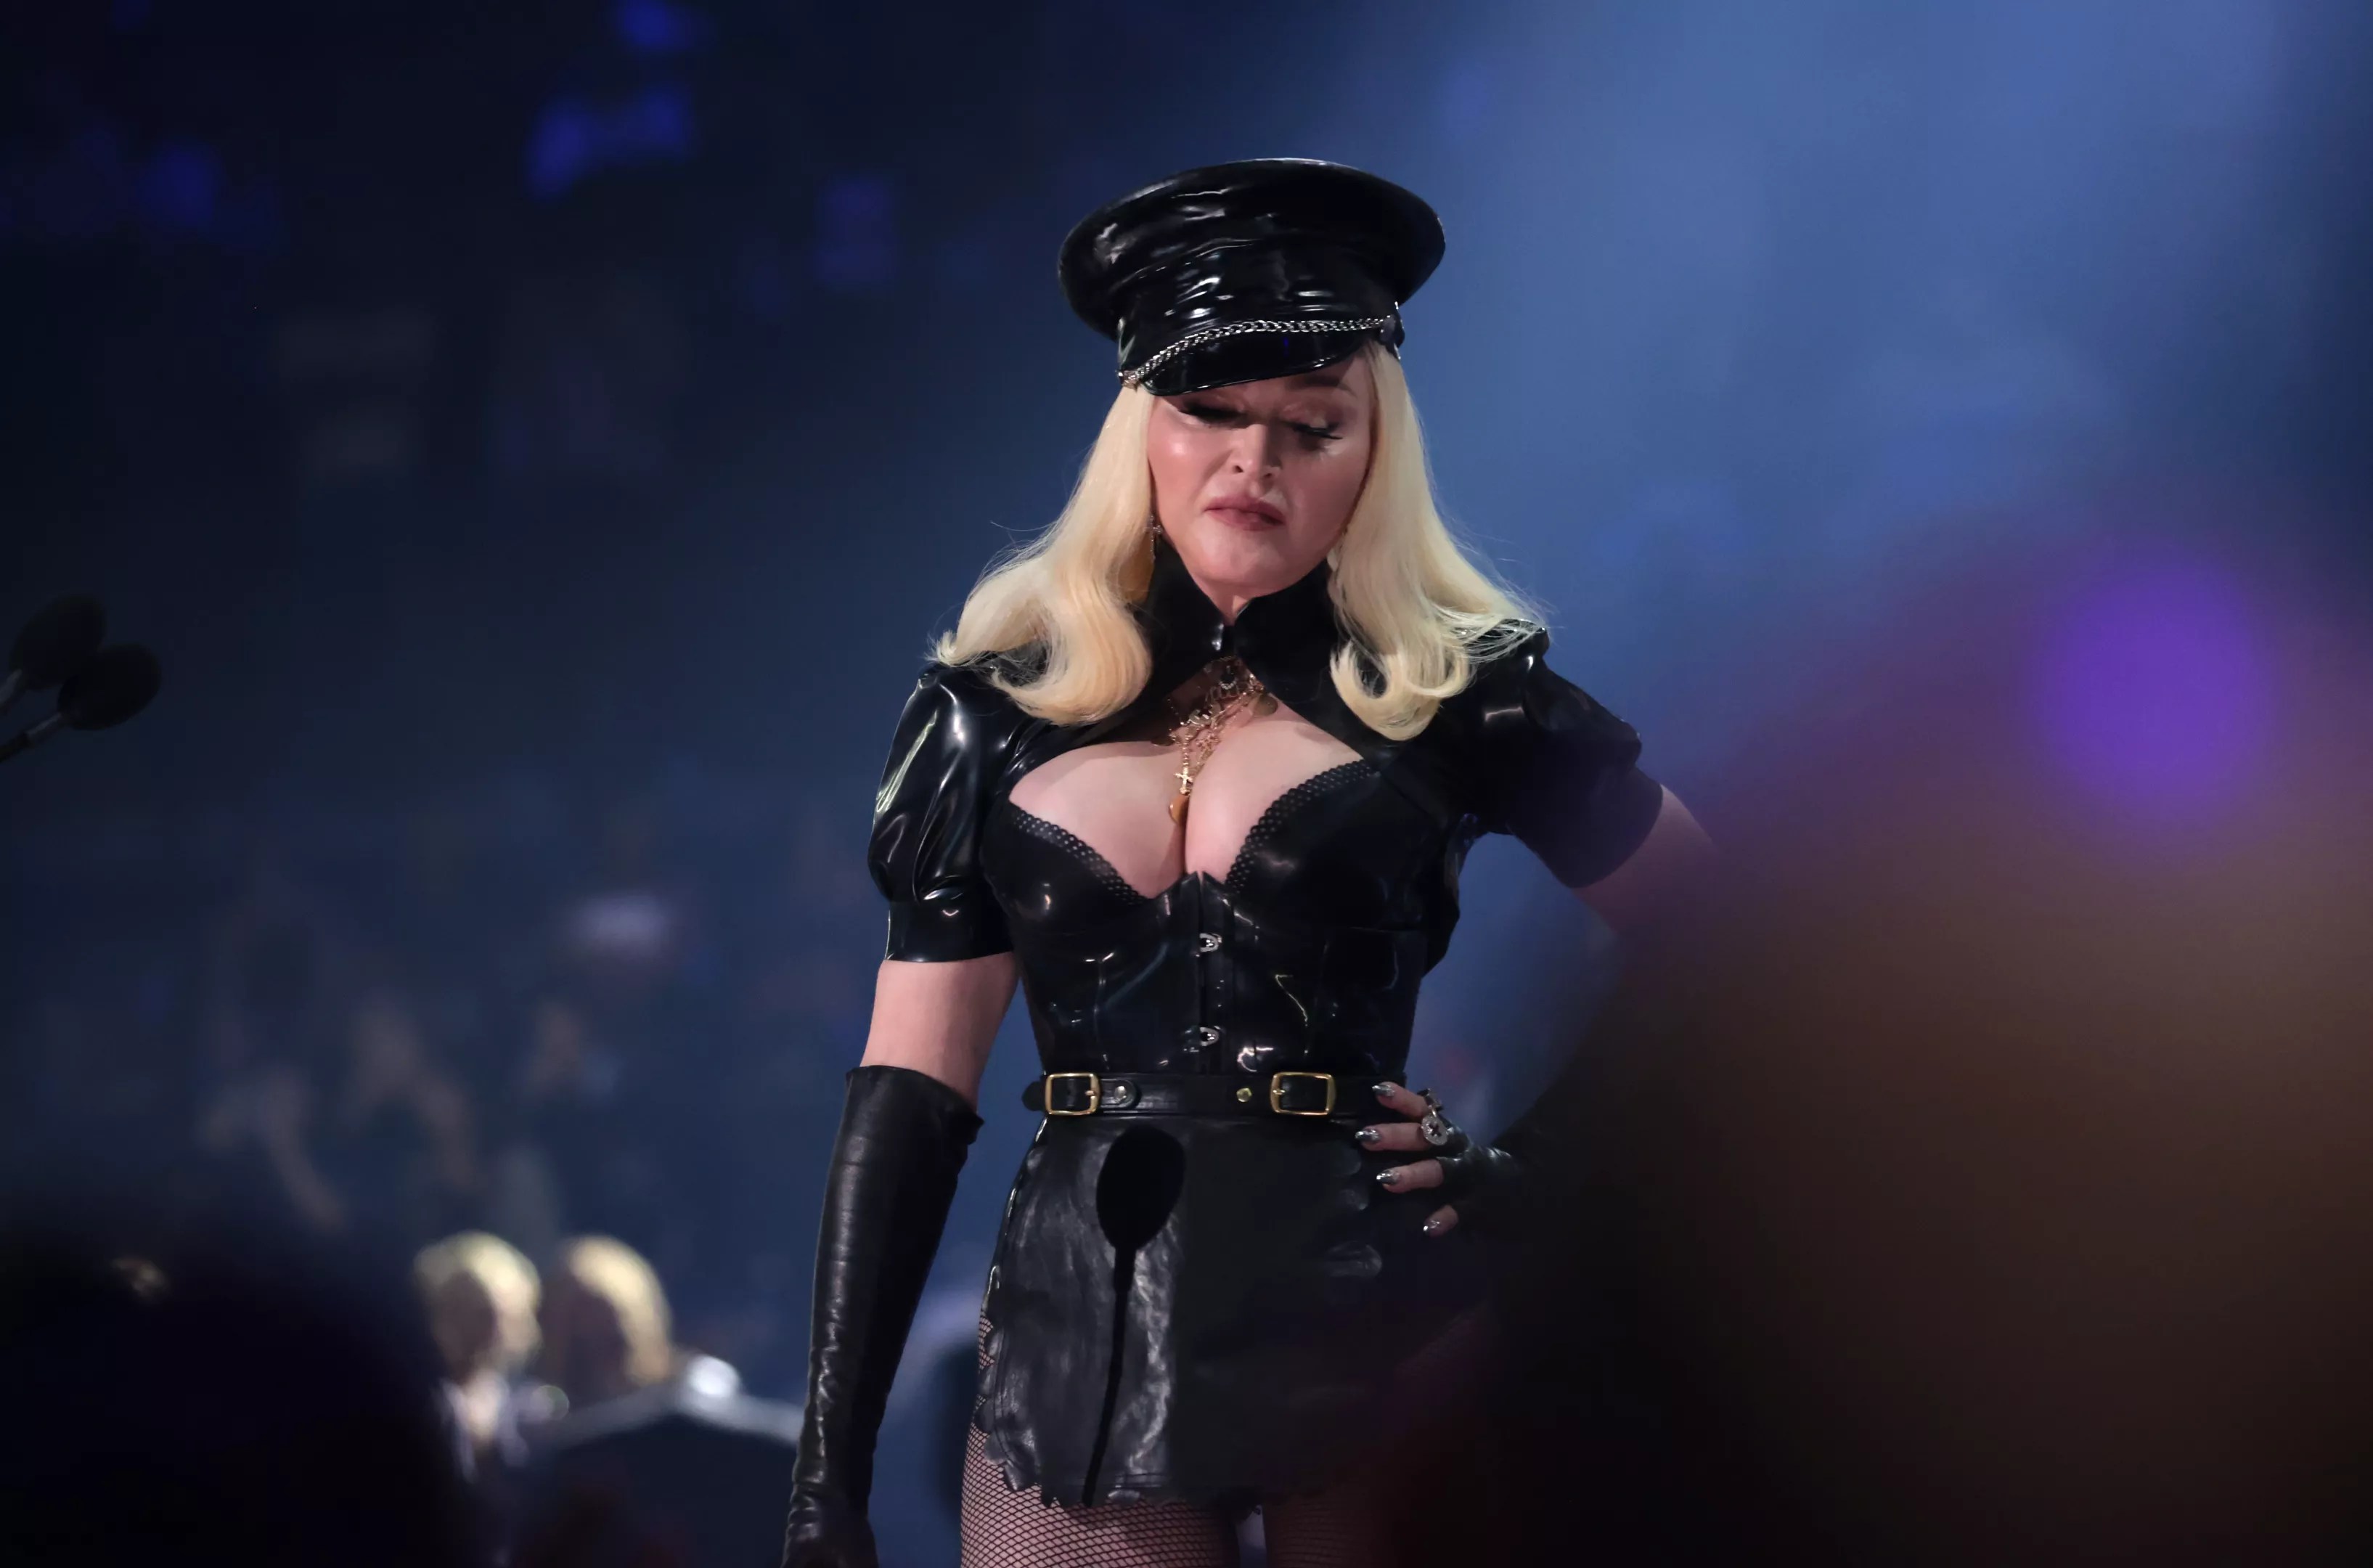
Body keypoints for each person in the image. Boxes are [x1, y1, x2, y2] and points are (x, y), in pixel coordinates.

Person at [778, 159, 1716, 1568]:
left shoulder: (1458, 697)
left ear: (1374, 452)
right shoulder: (993, 711)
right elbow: (910, 1096)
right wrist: (825, 1475)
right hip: (1082, 1332)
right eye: (1209, 410)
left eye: (1310, 424)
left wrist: (1534, 1168)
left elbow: (1734, 937)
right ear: (1140, 429)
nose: (1252, 463)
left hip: (1376, 1319)